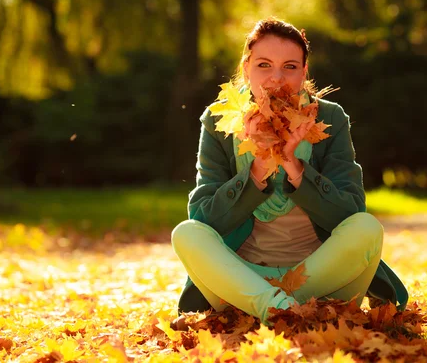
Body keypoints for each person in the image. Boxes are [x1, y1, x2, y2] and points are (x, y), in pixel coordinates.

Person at [171, 17, 408, 326]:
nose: (276, 79)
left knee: (367, 228)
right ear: (246, 69)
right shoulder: (219, 123)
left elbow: (350, 212)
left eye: (291, 67)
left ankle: (267, 308)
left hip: (321, 277)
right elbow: (204, 218)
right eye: (264, 65)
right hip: (243, 274)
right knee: (186, 234)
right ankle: (276, 307)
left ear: (304, 72)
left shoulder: (330, 118)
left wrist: (294, 168)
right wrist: (258, 170)